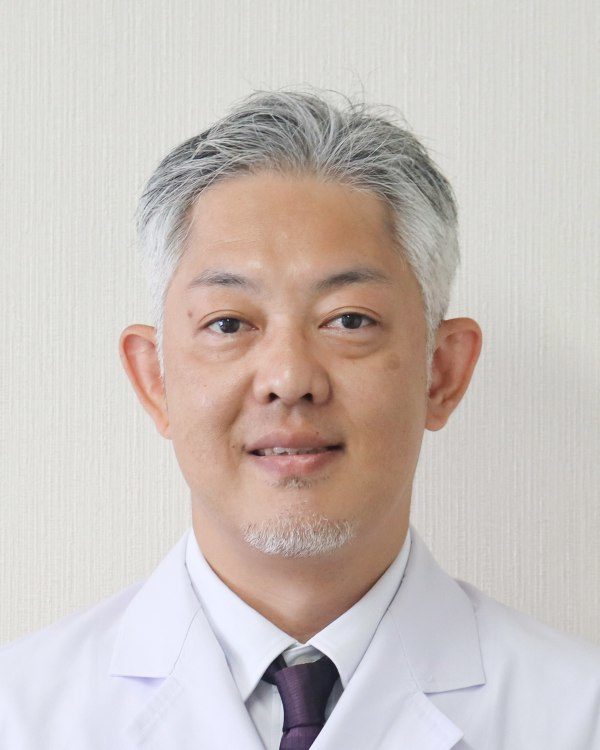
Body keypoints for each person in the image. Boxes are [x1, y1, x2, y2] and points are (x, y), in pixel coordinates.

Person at [1, 89, 599, 750]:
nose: (289, 379)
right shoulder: (20, 714)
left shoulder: (579, 714)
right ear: (154, 380)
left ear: (442, 372)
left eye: (349, 320)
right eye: (229, 324)